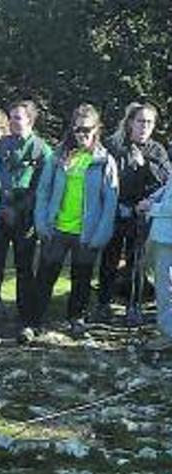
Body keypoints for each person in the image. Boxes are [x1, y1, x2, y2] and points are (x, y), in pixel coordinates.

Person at [29, 104, 118, 338]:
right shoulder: (59, 156)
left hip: (86, 232)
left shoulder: (104, 161)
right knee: (45, 277)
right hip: (56, 228)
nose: (82, 134)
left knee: (82, 278)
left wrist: (101, 234)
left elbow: (110, 202)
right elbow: (43, 191)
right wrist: (41, 222)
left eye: (87, 129)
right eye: (78, 129)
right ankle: (33, 322)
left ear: (97, 129)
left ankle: (76, 319)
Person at [96, 102, 171, 326]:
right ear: (130, 123)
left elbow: (165, 181)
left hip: (143, 214)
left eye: (149, 122)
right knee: (109, 259)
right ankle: (103, 303)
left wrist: (145, 164)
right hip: (116, 211)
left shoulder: (157, 150)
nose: (144, 127)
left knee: (136, 261)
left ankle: (133, 305)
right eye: (140, 121)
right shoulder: (114, 145)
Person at [0, 100, 53, 336]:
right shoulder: (0, 146)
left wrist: (21, 208)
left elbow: (42, 187)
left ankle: (27, 317)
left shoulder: (42, 149)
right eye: (11, 117)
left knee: (24, 268)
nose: (13, 122)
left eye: (18, 117)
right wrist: (1, 207)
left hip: (26, 216)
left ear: (30, 120)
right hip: (0, 212)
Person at [147, 179, 172, 351]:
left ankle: (169, 334)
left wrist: (150, 208)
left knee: (165, 287)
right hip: (164, 236)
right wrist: (153, 197)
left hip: (167, 239)